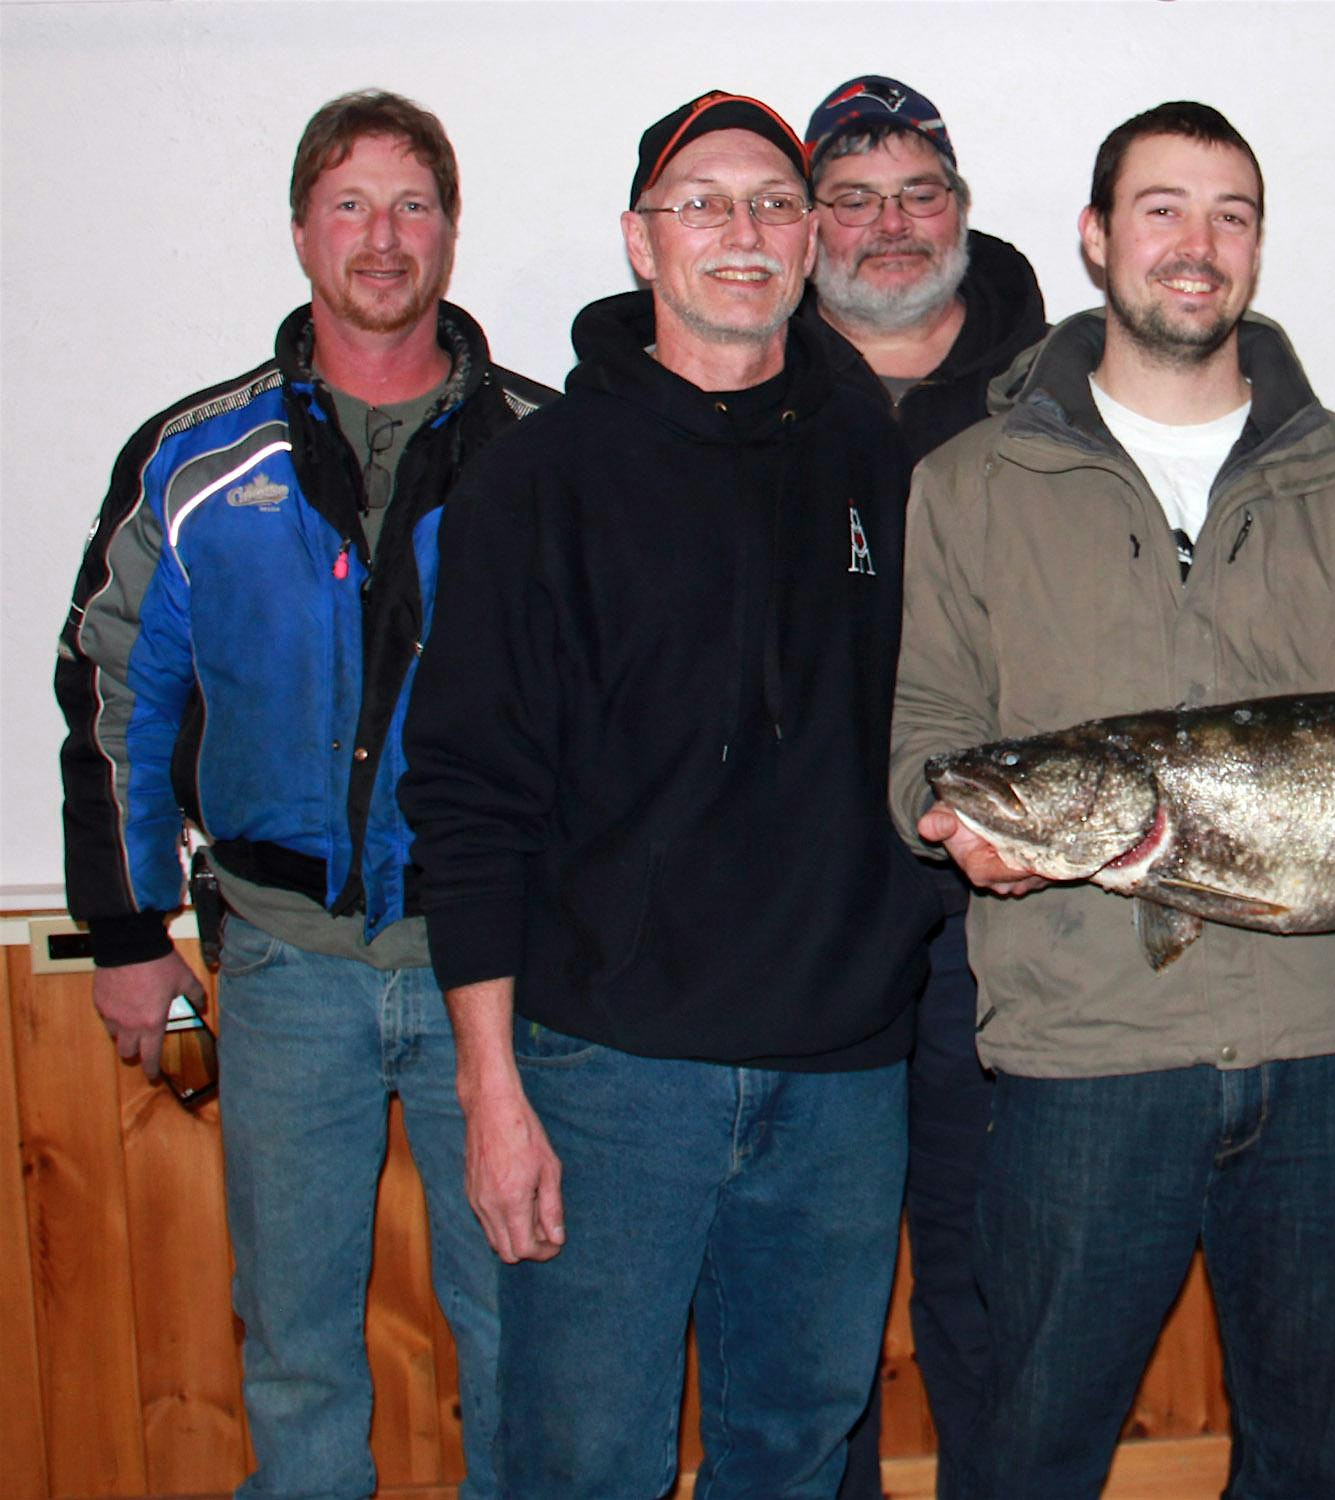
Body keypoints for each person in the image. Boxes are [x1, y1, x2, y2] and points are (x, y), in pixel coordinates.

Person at [890, 100, 1335, 1500]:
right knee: (1031, 1450)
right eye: (1163, 209)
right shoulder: (973, 483)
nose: (1198, 245)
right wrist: (954, 826)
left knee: (1306, 1462)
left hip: (1332, 1046)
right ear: (1096, 236)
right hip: (1082, 1050)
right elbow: (929, 731)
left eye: (1231, 214)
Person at [397, 90, 942, 1498]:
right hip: (609, 1076)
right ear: (642, 241)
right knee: (585, 1464)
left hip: (840, 1073)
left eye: (773, 204)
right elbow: (466, 793)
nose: (743, 234)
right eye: (705, 203)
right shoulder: (539, 478)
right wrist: (491, 1092)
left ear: (813, 240)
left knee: (797, 1451)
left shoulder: (881, 464)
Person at [54, 89, 551, 1500]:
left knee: (523, 1331)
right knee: (297, 1345)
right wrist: (129, 928)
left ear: (451, 233)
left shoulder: (545, 452)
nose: (381, 238)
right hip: (284, 970)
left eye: (411, 206)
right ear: (299, 232)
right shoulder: (197, 459)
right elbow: (111, 692)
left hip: (501, 980)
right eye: (351, 205)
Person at [797, 73, 1048, 1499]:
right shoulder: (748, 389)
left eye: (920, 193)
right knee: (815, 1297)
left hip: (999, 919)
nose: (891, 227)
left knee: (988, 1281)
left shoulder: (1059, 392)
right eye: (853, 197)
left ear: (961, 211)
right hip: (803, 926)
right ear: (810, 222)